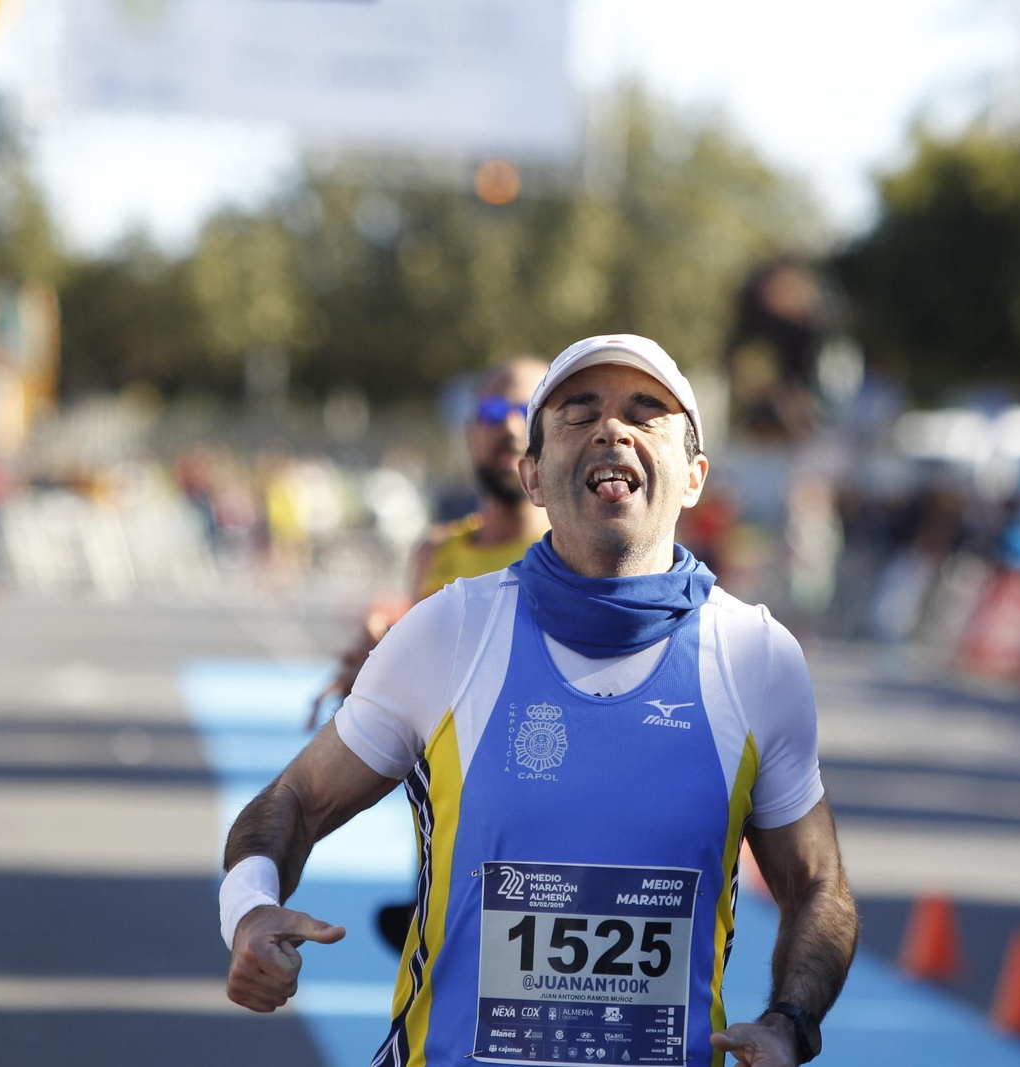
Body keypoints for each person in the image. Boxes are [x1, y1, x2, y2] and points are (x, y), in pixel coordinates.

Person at [221, 335, 858, 1067]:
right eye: (578, 413)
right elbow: (294, 800)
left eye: (646, 414)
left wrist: (790, 1023)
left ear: (694, 477)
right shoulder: (449, 630)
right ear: (532, 475)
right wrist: (249, 908)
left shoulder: (758, 658)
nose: (611, 429)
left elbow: (818, 884)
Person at [307, 357, 551, 953]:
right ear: (468, 431)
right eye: (493, 411)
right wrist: (372, 670)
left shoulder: (571, 556)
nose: (509, 427)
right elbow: (414, 688)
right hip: (445, 848)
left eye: (527, 411)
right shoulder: (437, 552)